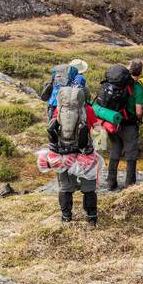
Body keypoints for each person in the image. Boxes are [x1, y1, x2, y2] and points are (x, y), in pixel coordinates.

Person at [47, 82, 99, 226]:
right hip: (85, 153)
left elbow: (53, 128)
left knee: (65, 187)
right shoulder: (88, 109)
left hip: (63, 152)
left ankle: (66, 217)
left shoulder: (59, 109)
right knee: (89, 188)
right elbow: (97, 129)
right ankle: (92, 217)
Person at [106, 60, 143, 190]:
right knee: (131, 153)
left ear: (128, 69)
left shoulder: (117, 83)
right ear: (140, 72)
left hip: (113, 122)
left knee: (115, 150)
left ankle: (111, 182)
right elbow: (139, 111)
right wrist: (139, 119)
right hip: (129, 124)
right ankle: (130, 184)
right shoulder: (138, 87)